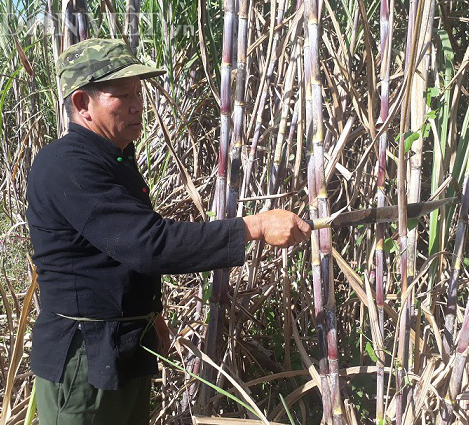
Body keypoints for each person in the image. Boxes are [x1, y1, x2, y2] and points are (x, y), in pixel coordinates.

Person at [25, 38, 311, 424]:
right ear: (82, 104)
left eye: (138, 94)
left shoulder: (115, 159)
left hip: (121, 350)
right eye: (122, 95)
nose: (137, 105)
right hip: (83, 363)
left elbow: (114, 252)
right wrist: (254, 226)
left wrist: (149, 311)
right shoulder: (67, 165)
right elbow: (149, 243)